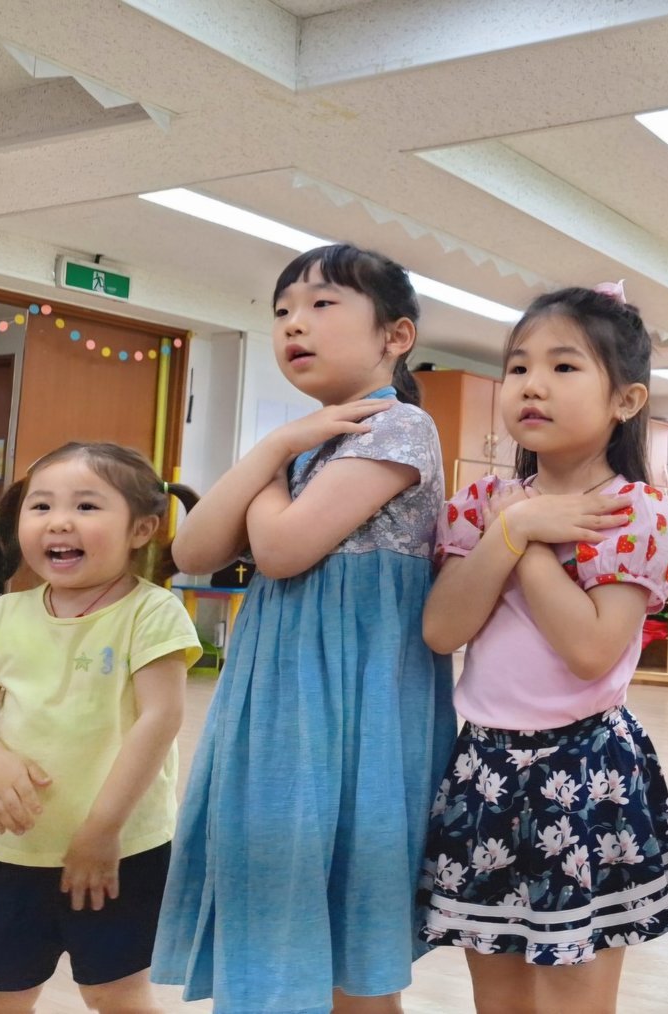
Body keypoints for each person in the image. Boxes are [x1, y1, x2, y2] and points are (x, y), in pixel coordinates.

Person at [150, 244, 456, 1013]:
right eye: (283, 310)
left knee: (351, 937)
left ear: (396, 336)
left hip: (355, 703)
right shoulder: (302, 440)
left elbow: (281, 551)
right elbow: (192, 552)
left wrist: (272, 465)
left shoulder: (401, 425)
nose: (294, 324)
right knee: (281, 901)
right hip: (282, 696)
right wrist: (277, 447)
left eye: (322, 304)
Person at [420, 283, 668, 1014]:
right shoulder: (482, 505)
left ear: (626, 400)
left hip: (586, 768)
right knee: (498, 1000)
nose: (531, 384)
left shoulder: (631, 511)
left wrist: (530, 541)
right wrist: (511, 529)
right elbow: (443, 630)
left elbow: (591, 650)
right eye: (518, 366)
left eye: (564, 366)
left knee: (575, 999)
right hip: (484, 768)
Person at [0, 442, 201, 1013]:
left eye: (86, 506)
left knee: (114, 993)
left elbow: (160, 718)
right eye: (41, 506)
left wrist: (103, 829)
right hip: (17, 849)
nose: (58, 521)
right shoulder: (5, 615)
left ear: (141, 529)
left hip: (121, 849)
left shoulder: (151, 612)